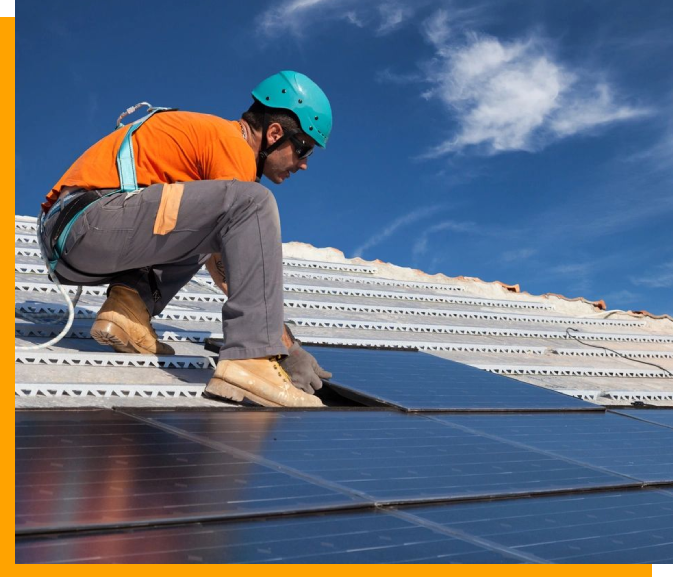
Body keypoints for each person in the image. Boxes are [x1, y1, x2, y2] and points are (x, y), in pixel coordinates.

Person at [38, 71, 333, 408]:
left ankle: (128, 311)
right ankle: (249, 362)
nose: (304, 164)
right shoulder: (231, 145)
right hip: (87, 224)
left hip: (78, 235)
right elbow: (238, 263)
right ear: (275, 133)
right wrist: (281, 346)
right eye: (304, 149)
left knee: (216, 226)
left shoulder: (213, 145)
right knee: (254, 202)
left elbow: (217, 250)